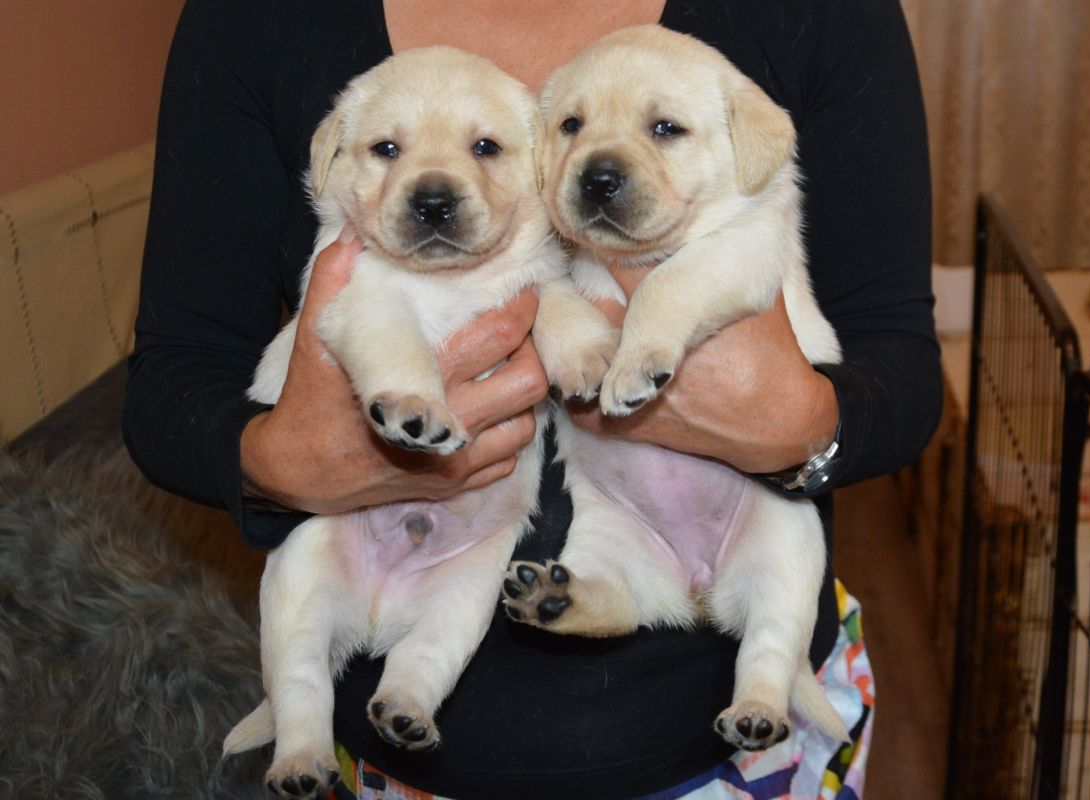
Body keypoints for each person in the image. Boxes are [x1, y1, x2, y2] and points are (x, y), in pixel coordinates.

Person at [123, 0, 942, 797]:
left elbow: (899, 364)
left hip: (734, 753)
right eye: (570, 126)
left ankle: (762, 665)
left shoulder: (817, 17)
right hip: (386, 751)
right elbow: (171, 381)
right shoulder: (254, 19)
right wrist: (284, 463)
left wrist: (801, 427)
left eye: (489, 147)